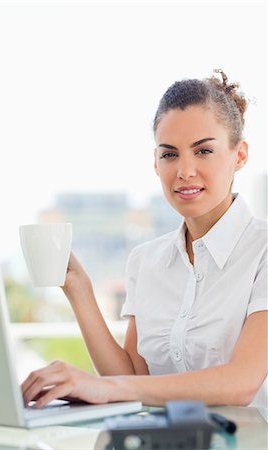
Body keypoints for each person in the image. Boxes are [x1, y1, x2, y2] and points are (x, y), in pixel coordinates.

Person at [22, 69, 267, 409]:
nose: (184, 171)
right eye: (169, 154)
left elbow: (240, 384)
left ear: (239, 155)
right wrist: (78, 289)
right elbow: (134, 377)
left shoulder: (262, 250)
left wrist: (98, 386)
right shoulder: (145, 261)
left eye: (203, 151)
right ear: (155, 162)